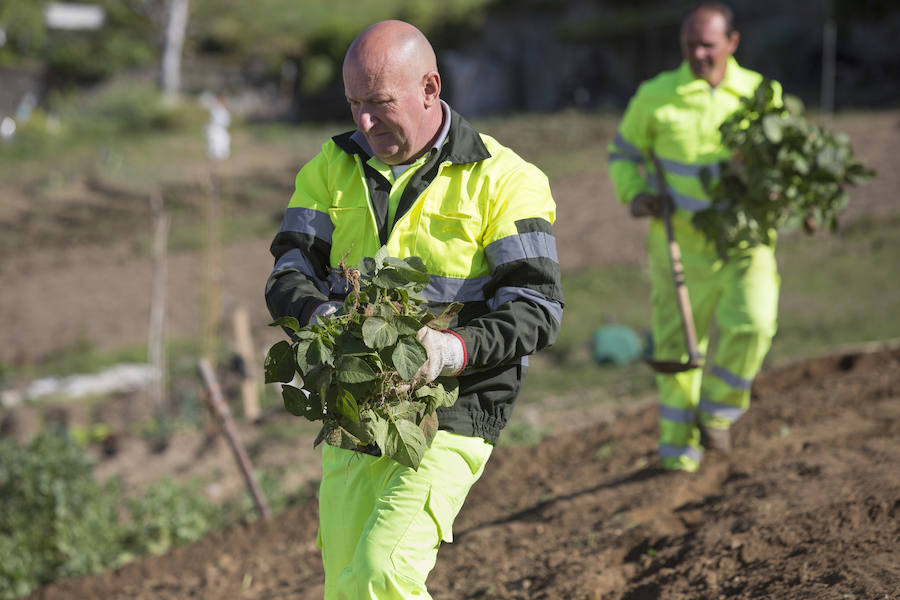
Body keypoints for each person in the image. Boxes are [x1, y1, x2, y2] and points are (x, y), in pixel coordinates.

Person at [264, 20, 563, 599]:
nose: (364, 123)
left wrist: (449, 350)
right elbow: (289, 270)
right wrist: (320, 316)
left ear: (430, 88)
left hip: (454, 404)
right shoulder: (329, 167)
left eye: (379, 104)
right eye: (354, 104)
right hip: (355, 405)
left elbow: (537, 307)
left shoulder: (506, 180)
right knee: (346, 586)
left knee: (383, 573)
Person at [607, 3, 780, 472]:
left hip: (747, 245)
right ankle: (676, 455)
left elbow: (782, 160)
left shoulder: (763, 95)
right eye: (690, 45)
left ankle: (718, 413)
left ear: (732, 43)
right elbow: (623, 154)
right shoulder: (657, 96)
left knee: (755, 325)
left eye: (708, 44)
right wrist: (638, 194)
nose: (699, 54)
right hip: (676, 249)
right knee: (677, 356)